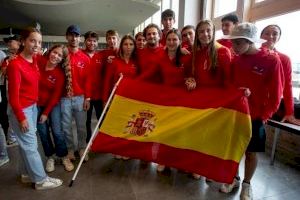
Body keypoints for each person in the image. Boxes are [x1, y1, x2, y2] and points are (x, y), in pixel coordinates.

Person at [221, 22, 283, 200]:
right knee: (234, 149)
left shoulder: (271, 60)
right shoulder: (236, 59)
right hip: (236, 114)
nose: (234, 47)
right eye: (233, 43)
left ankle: (247, 185)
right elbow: (231, 86)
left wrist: (264, 117)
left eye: (238, 43)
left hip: (256, 116)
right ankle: (234, 178)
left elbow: (276, 95)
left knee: (251, 152)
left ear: (250, 41)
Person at [7, 27, 62, 189]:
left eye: (39, 41)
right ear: (23, 42)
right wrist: (21, 117)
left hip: (32, 107)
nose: (36, 44)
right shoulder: (15, 65)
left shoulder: (35, 59)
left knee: (27, 145)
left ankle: (26, 174)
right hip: (21, 110)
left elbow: (54, 60)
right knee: (30, 145)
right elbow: (13, 97)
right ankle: (40, 180)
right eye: (32, 40)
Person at [37, 44, 74, 172]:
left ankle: (63, 156)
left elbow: (55, 96)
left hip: (52, 105)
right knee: (42, 132)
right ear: (50, 51)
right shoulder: (39, 61)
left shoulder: (59, 75)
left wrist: (46, 113)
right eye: (54, 52)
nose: (56, 56)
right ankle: (50, 157)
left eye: (60, 56)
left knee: (57, 131)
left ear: (62, 60)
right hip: (36, 105)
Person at [61, 25, 91, 163]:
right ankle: (70, 149)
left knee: (81, 126)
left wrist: (87, 98)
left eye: (76, 35)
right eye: (71, 35)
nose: (74, 38)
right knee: (66, 126)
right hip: (64, 98)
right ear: (67, 36)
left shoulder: (85, 58)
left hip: (80, 97)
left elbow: (88, 80)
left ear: (80, 38)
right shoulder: (61, 55)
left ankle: (82, 147)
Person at [260, 24, 300, 125]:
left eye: (275, 34)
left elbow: (287, 86)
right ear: (260, 36)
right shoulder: (251, 54)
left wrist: (290, 113)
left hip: (269, 106)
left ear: (279, 38)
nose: (270, 36)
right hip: (248, 103)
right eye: (267, 33)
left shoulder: (284, 59)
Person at [191, 19, 232, 88]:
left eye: (208, 30)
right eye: (201, 31)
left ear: (213, 32)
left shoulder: (223, 51)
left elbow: (228, 79)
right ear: (197, 35)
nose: (205, 34)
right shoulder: (195, 53)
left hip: (216, 95)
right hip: (198, 93)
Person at [83, 31, 104, 143]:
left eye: (94, 41)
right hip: (85, 95)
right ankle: (88, 142)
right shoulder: (80, 55)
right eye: (89, 40)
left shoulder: (101, 56)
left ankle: (103, 141)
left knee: (102, 119)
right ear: (85, 41)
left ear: (97, 43)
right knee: (86, 121)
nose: (92, 43)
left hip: (99, 95)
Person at [103, 34, 138, 103]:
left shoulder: (137, 62)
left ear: (134, 46)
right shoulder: (114, 61)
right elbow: (107, 82)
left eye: (131, 44)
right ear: (121, 46)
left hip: (132, 98)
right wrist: (105, 100)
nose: (128, 47)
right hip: (116, 97)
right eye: (125, 44)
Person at [1, 35, 20, 146]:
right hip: (11, 88)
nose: (8, 44)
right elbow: (3, 72)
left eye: (10, 42)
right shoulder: (7, 59)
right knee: (12, 111)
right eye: (7, 42)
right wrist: (9, 64)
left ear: (18, 42)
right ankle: (12, 138)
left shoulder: (26, 55)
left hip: (25, 90)